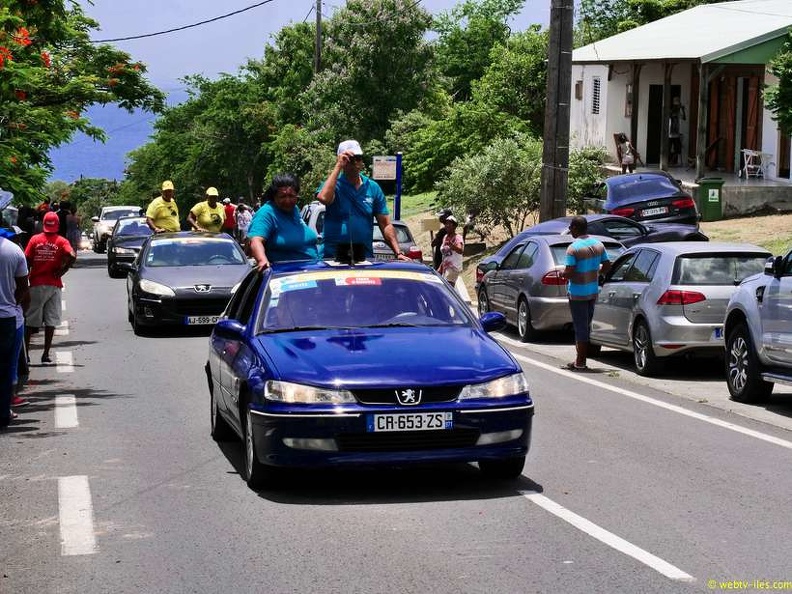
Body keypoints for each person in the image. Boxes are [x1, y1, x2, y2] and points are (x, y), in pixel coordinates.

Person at [316, 139, 408, 261]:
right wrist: (338, 166)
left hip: (363, 256)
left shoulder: (372, 187)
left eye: (358, 158)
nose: (355, 162)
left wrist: (398, 253)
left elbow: (385, 224)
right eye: (350, 158)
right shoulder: (333, 185)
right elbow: (324, 198)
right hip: (332, 256)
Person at [24, 211, 76, 365]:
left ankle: (26, 355)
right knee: (51, 321)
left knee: (30, 322)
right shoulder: (61, 241)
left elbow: (26, 258)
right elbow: (72, 255)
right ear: (57, 225)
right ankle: (45, 354)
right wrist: (63, 270)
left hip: (36, 285)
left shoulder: (35, 239)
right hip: (54, 284)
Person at [561, 216, 611, 371]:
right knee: (585, 325)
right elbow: (607, 265)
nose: (570, 231)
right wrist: (596, 273)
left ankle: (581, 362)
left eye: (571, 228)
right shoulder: (598, 244)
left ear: (576, 228)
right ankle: (578, 360)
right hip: (592, 292)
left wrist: (563, 274)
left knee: (581, 327)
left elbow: (569, 271)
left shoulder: (573, 248)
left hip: (577, 293)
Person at [248, 174, 319, 271]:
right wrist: (262, 261)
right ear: (274, 196)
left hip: (311, 271)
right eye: (282, 196)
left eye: (291, 196)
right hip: (286, 276)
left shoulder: (294, 210)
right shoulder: (266, 213)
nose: (287, 200)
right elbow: (255, 240)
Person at [0, 226, 30, 429]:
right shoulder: (13, 250)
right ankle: (3, 414)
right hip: (7, 318)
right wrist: (13, 304)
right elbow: (23, 288)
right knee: (5, 368)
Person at [438, 215, 464, 287]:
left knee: (448, 287)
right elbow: (445, 255)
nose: (447, 225)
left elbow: (460, 250)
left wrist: (453, 246)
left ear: (454, 226)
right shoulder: (445, 237)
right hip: (445, 267)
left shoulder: (458, 238)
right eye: (446, 224)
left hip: (453, 268)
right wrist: (441, 267)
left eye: (450, 224)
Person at [668, 96, 686, 166]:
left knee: (678, 149)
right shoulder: (670, 110)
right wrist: (676, 108)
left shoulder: (678, 112)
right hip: (669, 134)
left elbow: (684, 118)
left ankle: (672, 161)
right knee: (668, 149)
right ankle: (668, 162)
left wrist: (682, 109)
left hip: (676, 134)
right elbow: (670, 115)